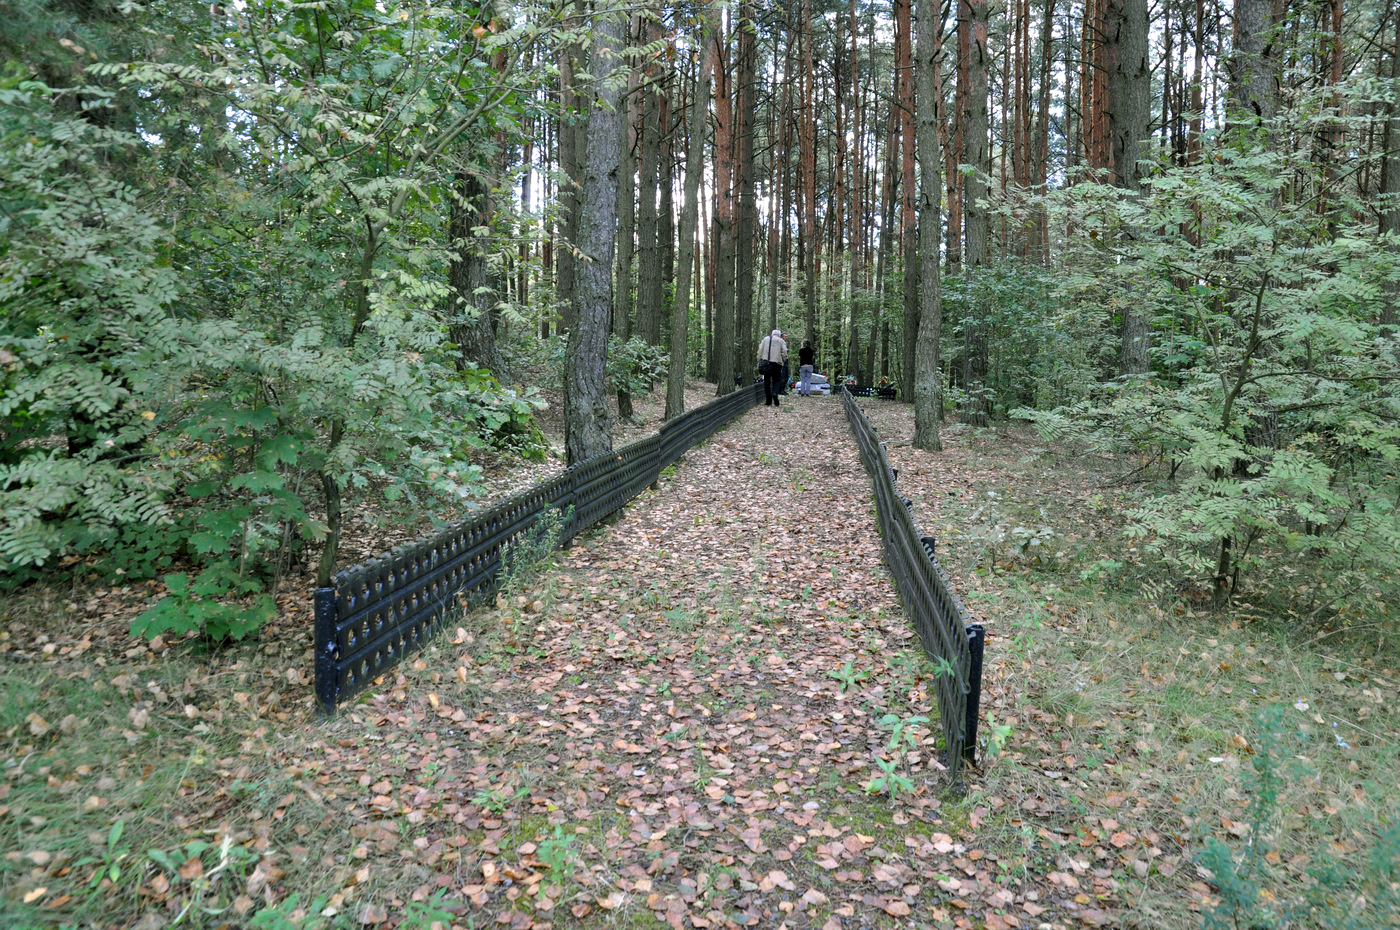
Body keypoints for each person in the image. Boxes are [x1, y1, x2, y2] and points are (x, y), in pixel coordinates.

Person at [757, 329, 788, 407]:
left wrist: (759, 359)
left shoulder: (765, 339)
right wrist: (783, 360)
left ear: (772, 333)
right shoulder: (781, 341)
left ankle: (768, 400)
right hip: (777, 363)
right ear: (779, 335)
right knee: (777, 380)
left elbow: (760, 350)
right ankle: (775, 393)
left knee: (766, 381)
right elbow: (784, 352)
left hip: (766, 363)